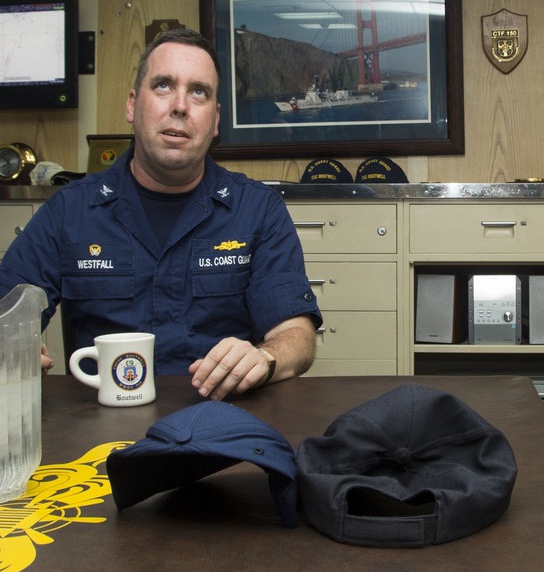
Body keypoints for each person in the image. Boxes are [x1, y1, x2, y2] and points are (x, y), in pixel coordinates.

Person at [0, 28, 322, 401]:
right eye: (164, 86)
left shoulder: (257, 210)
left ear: (215, 120)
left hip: (222, 421)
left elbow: (297, 337)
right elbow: (7, 310)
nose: (181, 105)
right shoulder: (69, 212)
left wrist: (265, 357)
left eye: (199, 91)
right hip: (101, 426)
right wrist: (11, 347)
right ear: (132, 105)